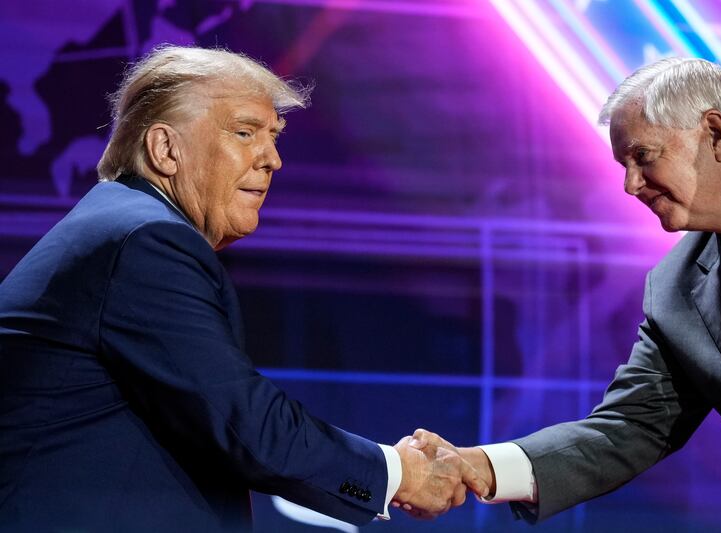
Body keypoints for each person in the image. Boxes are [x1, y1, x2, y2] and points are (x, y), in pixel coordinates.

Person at [0, 45, 487, 532]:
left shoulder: (121, 226)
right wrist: (396, 474)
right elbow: (245, 424)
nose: (272, 159)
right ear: (165, 149)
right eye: (244, 132)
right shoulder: (145, 241)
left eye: (273, 136)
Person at [411, 57, 721, 530]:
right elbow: (629, 427)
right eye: (624, 165)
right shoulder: (676, 289)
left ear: (714, 134)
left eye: (643, 156)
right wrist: (480, 466)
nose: (629, 184)